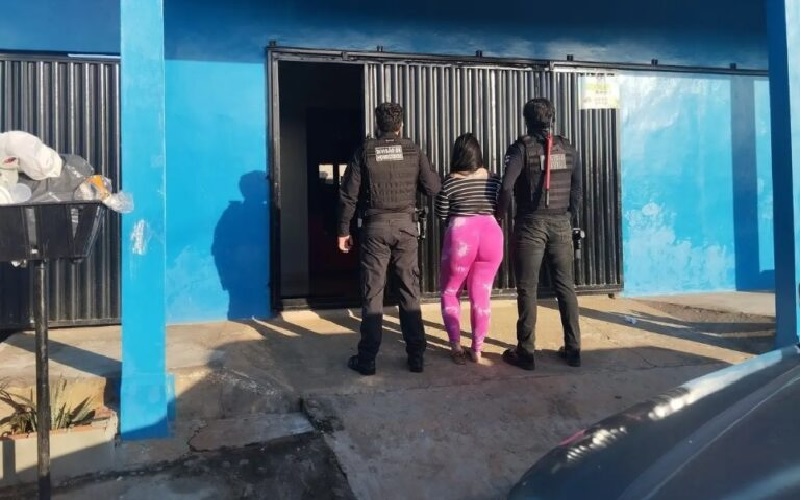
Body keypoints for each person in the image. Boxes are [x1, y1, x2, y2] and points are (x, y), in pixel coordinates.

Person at [337, 102, 441, 376]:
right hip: (406, 228)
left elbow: (348, 195)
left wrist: (343, 230)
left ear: (377, 125)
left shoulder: (365, 151)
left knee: (373, 293)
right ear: (400, 125)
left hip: (375, 229)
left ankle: (367, 360)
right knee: (409, 290)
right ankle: (416, 357)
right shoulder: (413, 150)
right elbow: (433, 187)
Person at [496, 98, 583, 369]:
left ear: (526, 120)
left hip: (530, 224)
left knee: (527, 288)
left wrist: (498, 216)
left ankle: (526, 352)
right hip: (561, 223)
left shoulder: (521, 148)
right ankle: (574, 350)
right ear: (551, 118)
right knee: (565, 286)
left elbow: (506, 187)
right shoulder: (568, 148)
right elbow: (577, 189)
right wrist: (569, 217)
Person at [434, 133, 503, 365]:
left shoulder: (449, 182)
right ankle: (477, 350)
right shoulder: (493, 179)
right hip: (491, 235)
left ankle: (456, 346)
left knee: (451, 291)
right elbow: (501, 205)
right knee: (481, 295)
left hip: (461, 236)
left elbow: (441, 212)